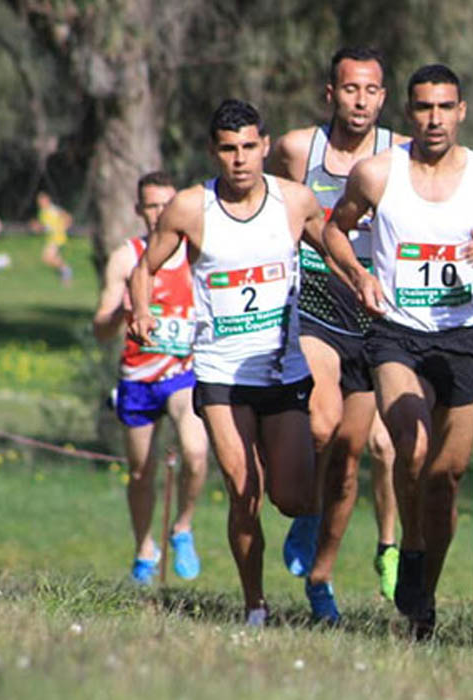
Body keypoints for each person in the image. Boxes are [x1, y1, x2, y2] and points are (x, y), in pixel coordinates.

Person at [129, 99, 354, 625]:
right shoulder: (189, 207)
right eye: (228, 149)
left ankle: (306, 514)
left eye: (249, 147)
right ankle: (255, 605)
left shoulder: (294, 201)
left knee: (293, 498)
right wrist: (141, 308)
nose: (239, 160)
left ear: (265, 147)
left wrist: (361, 278)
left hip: (282, 371)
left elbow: (332, 243)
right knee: (243, 488)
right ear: (213, 152)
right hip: (220, 375)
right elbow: (145, 268)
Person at [323, 64, 473, 638]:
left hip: (463, 337)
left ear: (461, 112)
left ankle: (425, 594)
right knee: (411, 446)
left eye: (445, 107)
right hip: (396, 332)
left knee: (448, 475)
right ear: (409, 113)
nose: (434, 119)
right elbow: (335, 229)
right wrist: (360, 275)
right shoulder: (378, 173)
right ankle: (410, 547)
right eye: (424, 108)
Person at [268, 45, 408, 622]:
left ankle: (322, 577)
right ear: (331, 93)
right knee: (323, 424)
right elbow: (270, 209)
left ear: (383, 95)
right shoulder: (300, 149)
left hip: (374, 319)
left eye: (372, 91)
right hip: (318, 307)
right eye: (350, 89)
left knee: (352, 455)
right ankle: (305, 512)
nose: (361, 101)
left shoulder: (398, 154)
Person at [92, 171, 210, 585]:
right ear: (138, 210)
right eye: (151, 206)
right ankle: (144, 549)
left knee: (196, 451)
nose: (159, 213)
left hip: (182, 374)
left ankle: (182, 527)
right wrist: (119, 313)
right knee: (141, 471)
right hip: (137, 377)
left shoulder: (195, 254)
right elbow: (101, 328)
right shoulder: (127, 258)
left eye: (166, 204)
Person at [31, 191, 74, 285]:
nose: (40, 203)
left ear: (47, 200)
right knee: (51, 258)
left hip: (57, 237)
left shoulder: (53, 209)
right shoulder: (42, 212)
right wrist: (38, 227)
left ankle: (66, 270)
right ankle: (65, 275)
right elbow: (46, 227)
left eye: (42, 201)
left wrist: (65, 225)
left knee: (47, 257)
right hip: (50, 238)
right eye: (39, 202)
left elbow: (68, 217)